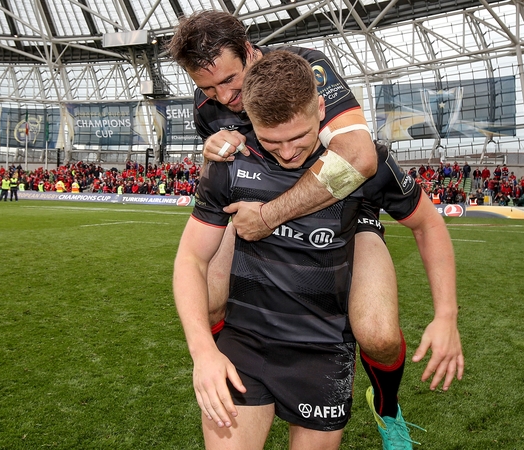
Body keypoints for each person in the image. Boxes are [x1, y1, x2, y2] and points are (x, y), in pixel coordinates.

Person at [168, 11, 446, 449]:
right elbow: (220, 174)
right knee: (209, 300)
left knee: (376, 333)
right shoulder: (208, 106)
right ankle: (232, 365)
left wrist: (272, 215)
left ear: (249, 52)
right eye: (209, 88)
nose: (225, 97)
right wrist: (215, 150)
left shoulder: (307, 68)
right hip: (260, 204)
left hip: (345, 210)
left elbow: (358, 157)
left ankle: (387, 405)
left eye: (231, 82)